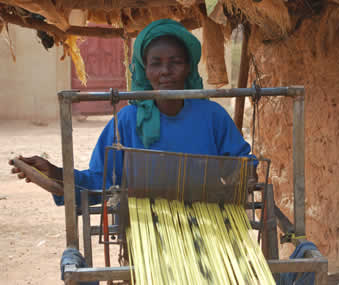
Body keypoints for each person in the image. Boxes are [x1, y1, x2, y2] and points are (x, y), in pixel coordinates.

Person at [9, 19, 254, 207]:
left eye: (175, 62)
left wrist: (245, 174)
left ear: (188, 66)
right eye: (156, 63)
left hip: (209, 226)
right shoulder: (126, 121)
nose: (165, 71)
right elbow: (100, 181)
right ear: (144, 69)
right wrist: (54, 173)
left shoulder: (211, 116)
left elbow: (240, 165)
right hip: (146, 231)